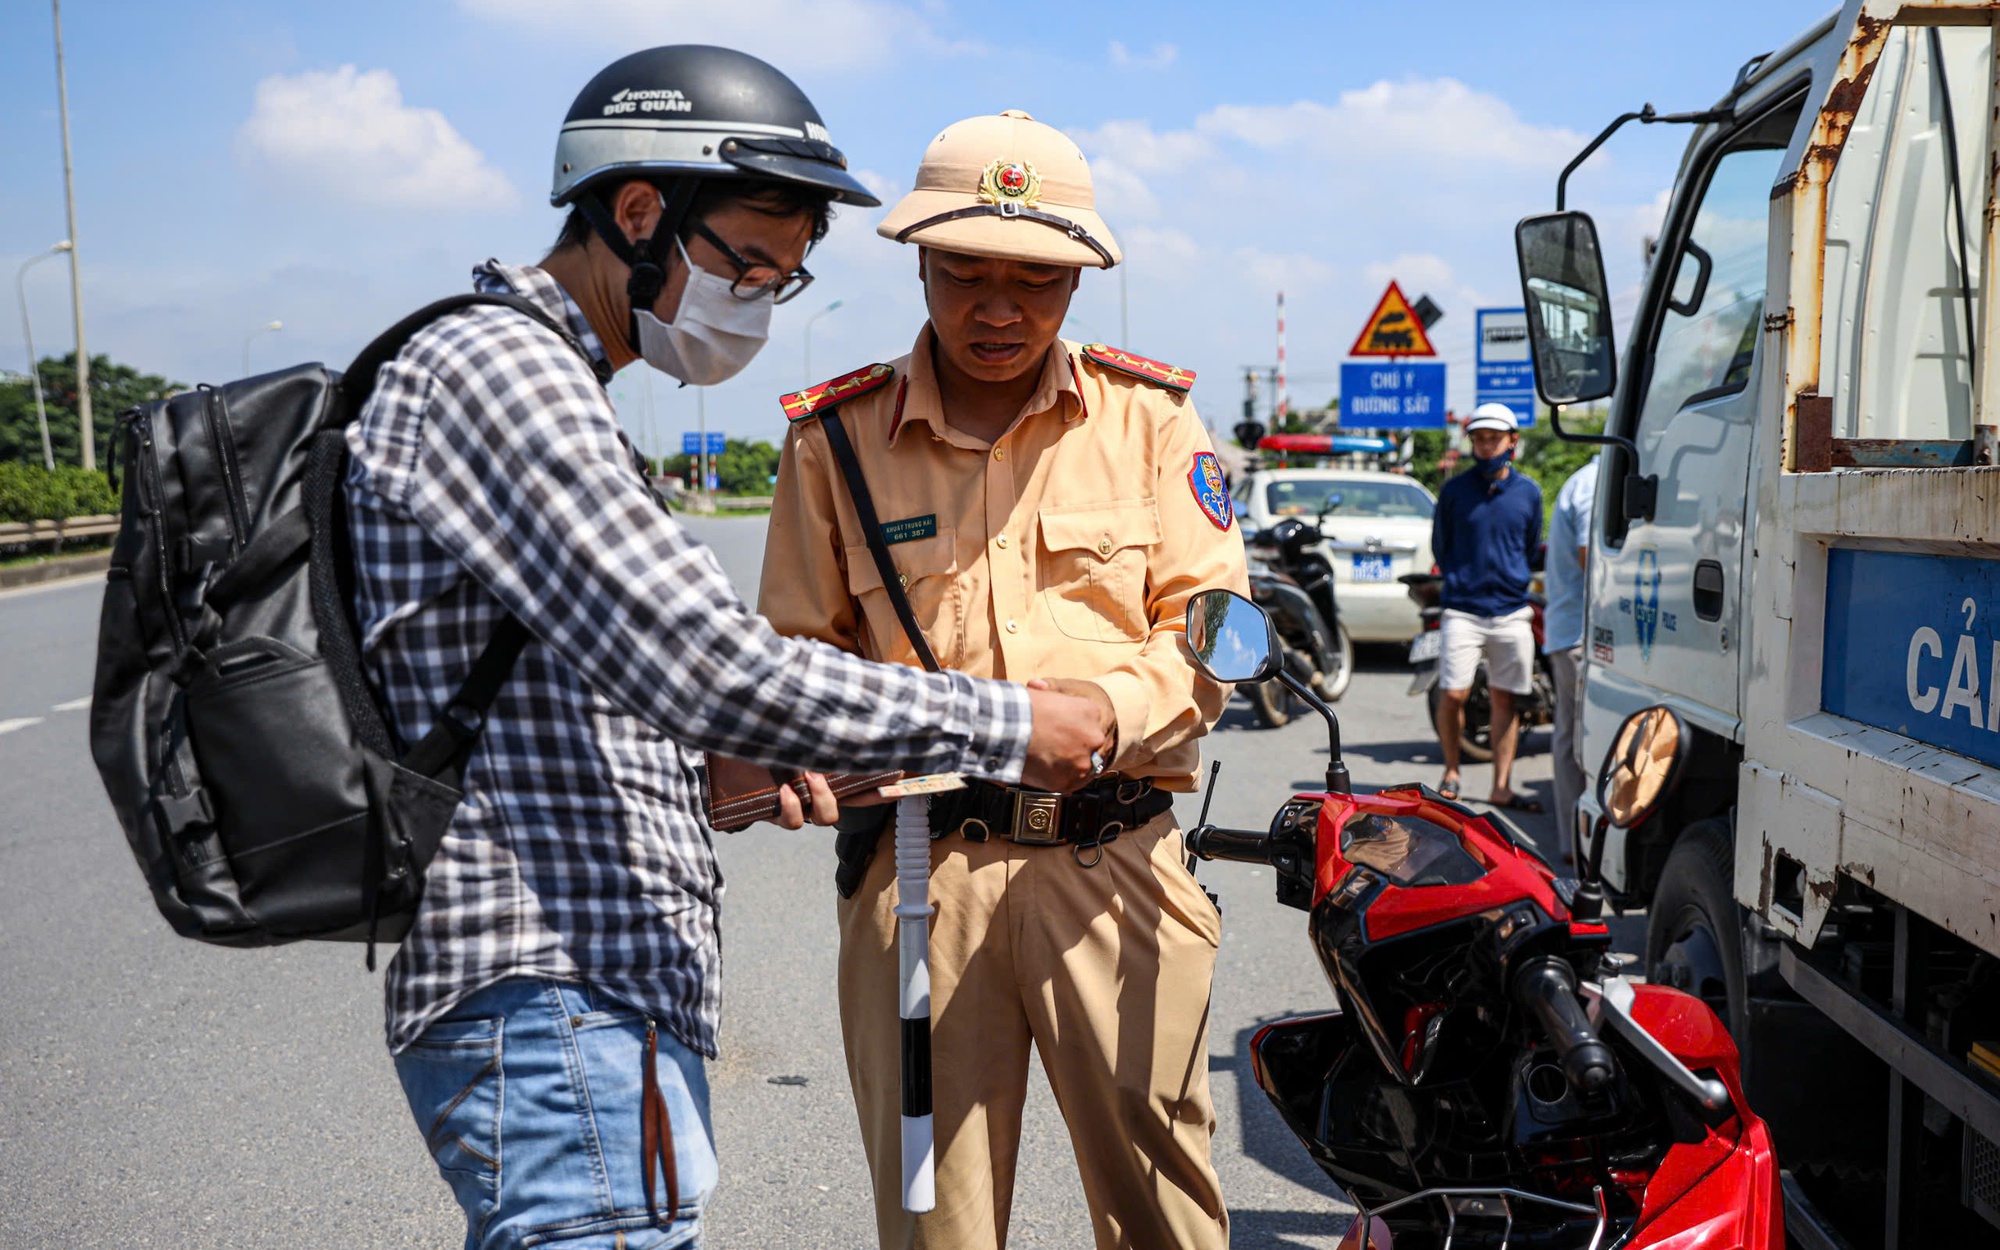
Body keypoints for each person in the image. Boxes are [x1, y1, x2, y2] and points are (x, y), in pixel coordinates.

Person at [345, 52, 1108, 1250]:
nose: (756, 299)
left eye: (782, 277)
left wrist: (714, 772)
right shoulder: (504, 371)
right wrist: (1011, 723)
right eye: (747, 262)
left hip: (594, 983)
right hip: (554, 975)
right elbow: (711, 664)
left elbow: (599, 686)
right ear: (639, 213)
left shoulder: (557, 380)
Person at [758, 110, 1249, 1250]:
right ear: (918, 265)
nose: (995, 307)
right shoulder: (832, 441)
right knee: (935, 1211)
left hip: (1114, 852)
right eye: (962, 271)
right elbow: (793, 653)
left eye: (1032, 278)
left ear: (1076, 281)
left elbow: (1211, 629)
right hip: (924, 872)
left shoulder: (1152, 421)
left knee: (1161, 1205)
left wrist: (1107, 714)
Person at [1432, 402, 1543, 809]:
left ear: (1512, 441)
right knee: (1454, 694)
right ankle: (1451, 770)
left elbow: (1530, 547)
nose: (1485, 446)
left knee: (1504, 698)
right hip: (1462, 608)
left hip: (1512, 610)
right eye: (1478, 439)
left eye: (1493, 438)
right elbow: (1441, 547)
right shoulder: (1454, 491)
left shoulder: (1529, 492)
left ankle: (1501, 785)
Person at [1544, 454, 1600, 856]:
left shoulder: (1586, 478)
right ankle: (1578, 843)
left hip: (1571, 629)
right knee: (1581, 737)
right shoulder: (1596, 483)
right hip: (1581, 634)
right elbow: (1589, 556)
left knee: (1571, 731)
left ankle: (1572, 840)